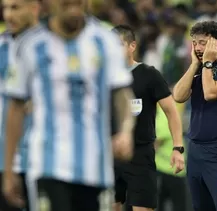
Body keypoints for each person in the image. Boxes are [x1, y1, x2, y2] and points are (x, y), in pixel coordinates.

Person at [2, 0, 135, 210]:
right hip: (48, 166)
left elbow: (122, 95)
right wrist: (8, 171)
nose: (73, 6)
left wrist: (126, 131)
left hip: (96, 170)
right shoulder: (31, 45)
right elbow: (15, 108)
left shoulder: (105, 41)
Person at [173, 20, 217, 211]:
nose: (197, 47)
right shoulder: (198, 67)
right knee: (200, 208)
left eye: (203, 43)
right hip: (196, 149)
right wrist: (194, 65)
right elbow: (178, 96)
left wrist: (206, 63)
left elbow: (211, 93)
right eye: (194, 43)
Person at [111, 25, 185, 211]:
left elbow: (171, 112)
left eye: (119, 45)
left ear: (132, 46)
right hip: (110, 155)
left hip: (141, 156)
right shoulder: (105, 78)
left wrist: (178, 148)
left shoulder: (149, 75)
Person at [0, 0, 39, 210]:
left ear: (34, 8)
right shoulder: (2, 48)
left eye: (15, 8)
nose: (8, 15)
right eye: (5, 8)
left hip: (41, 160)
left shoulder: (50, 47)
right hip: (5, 159)